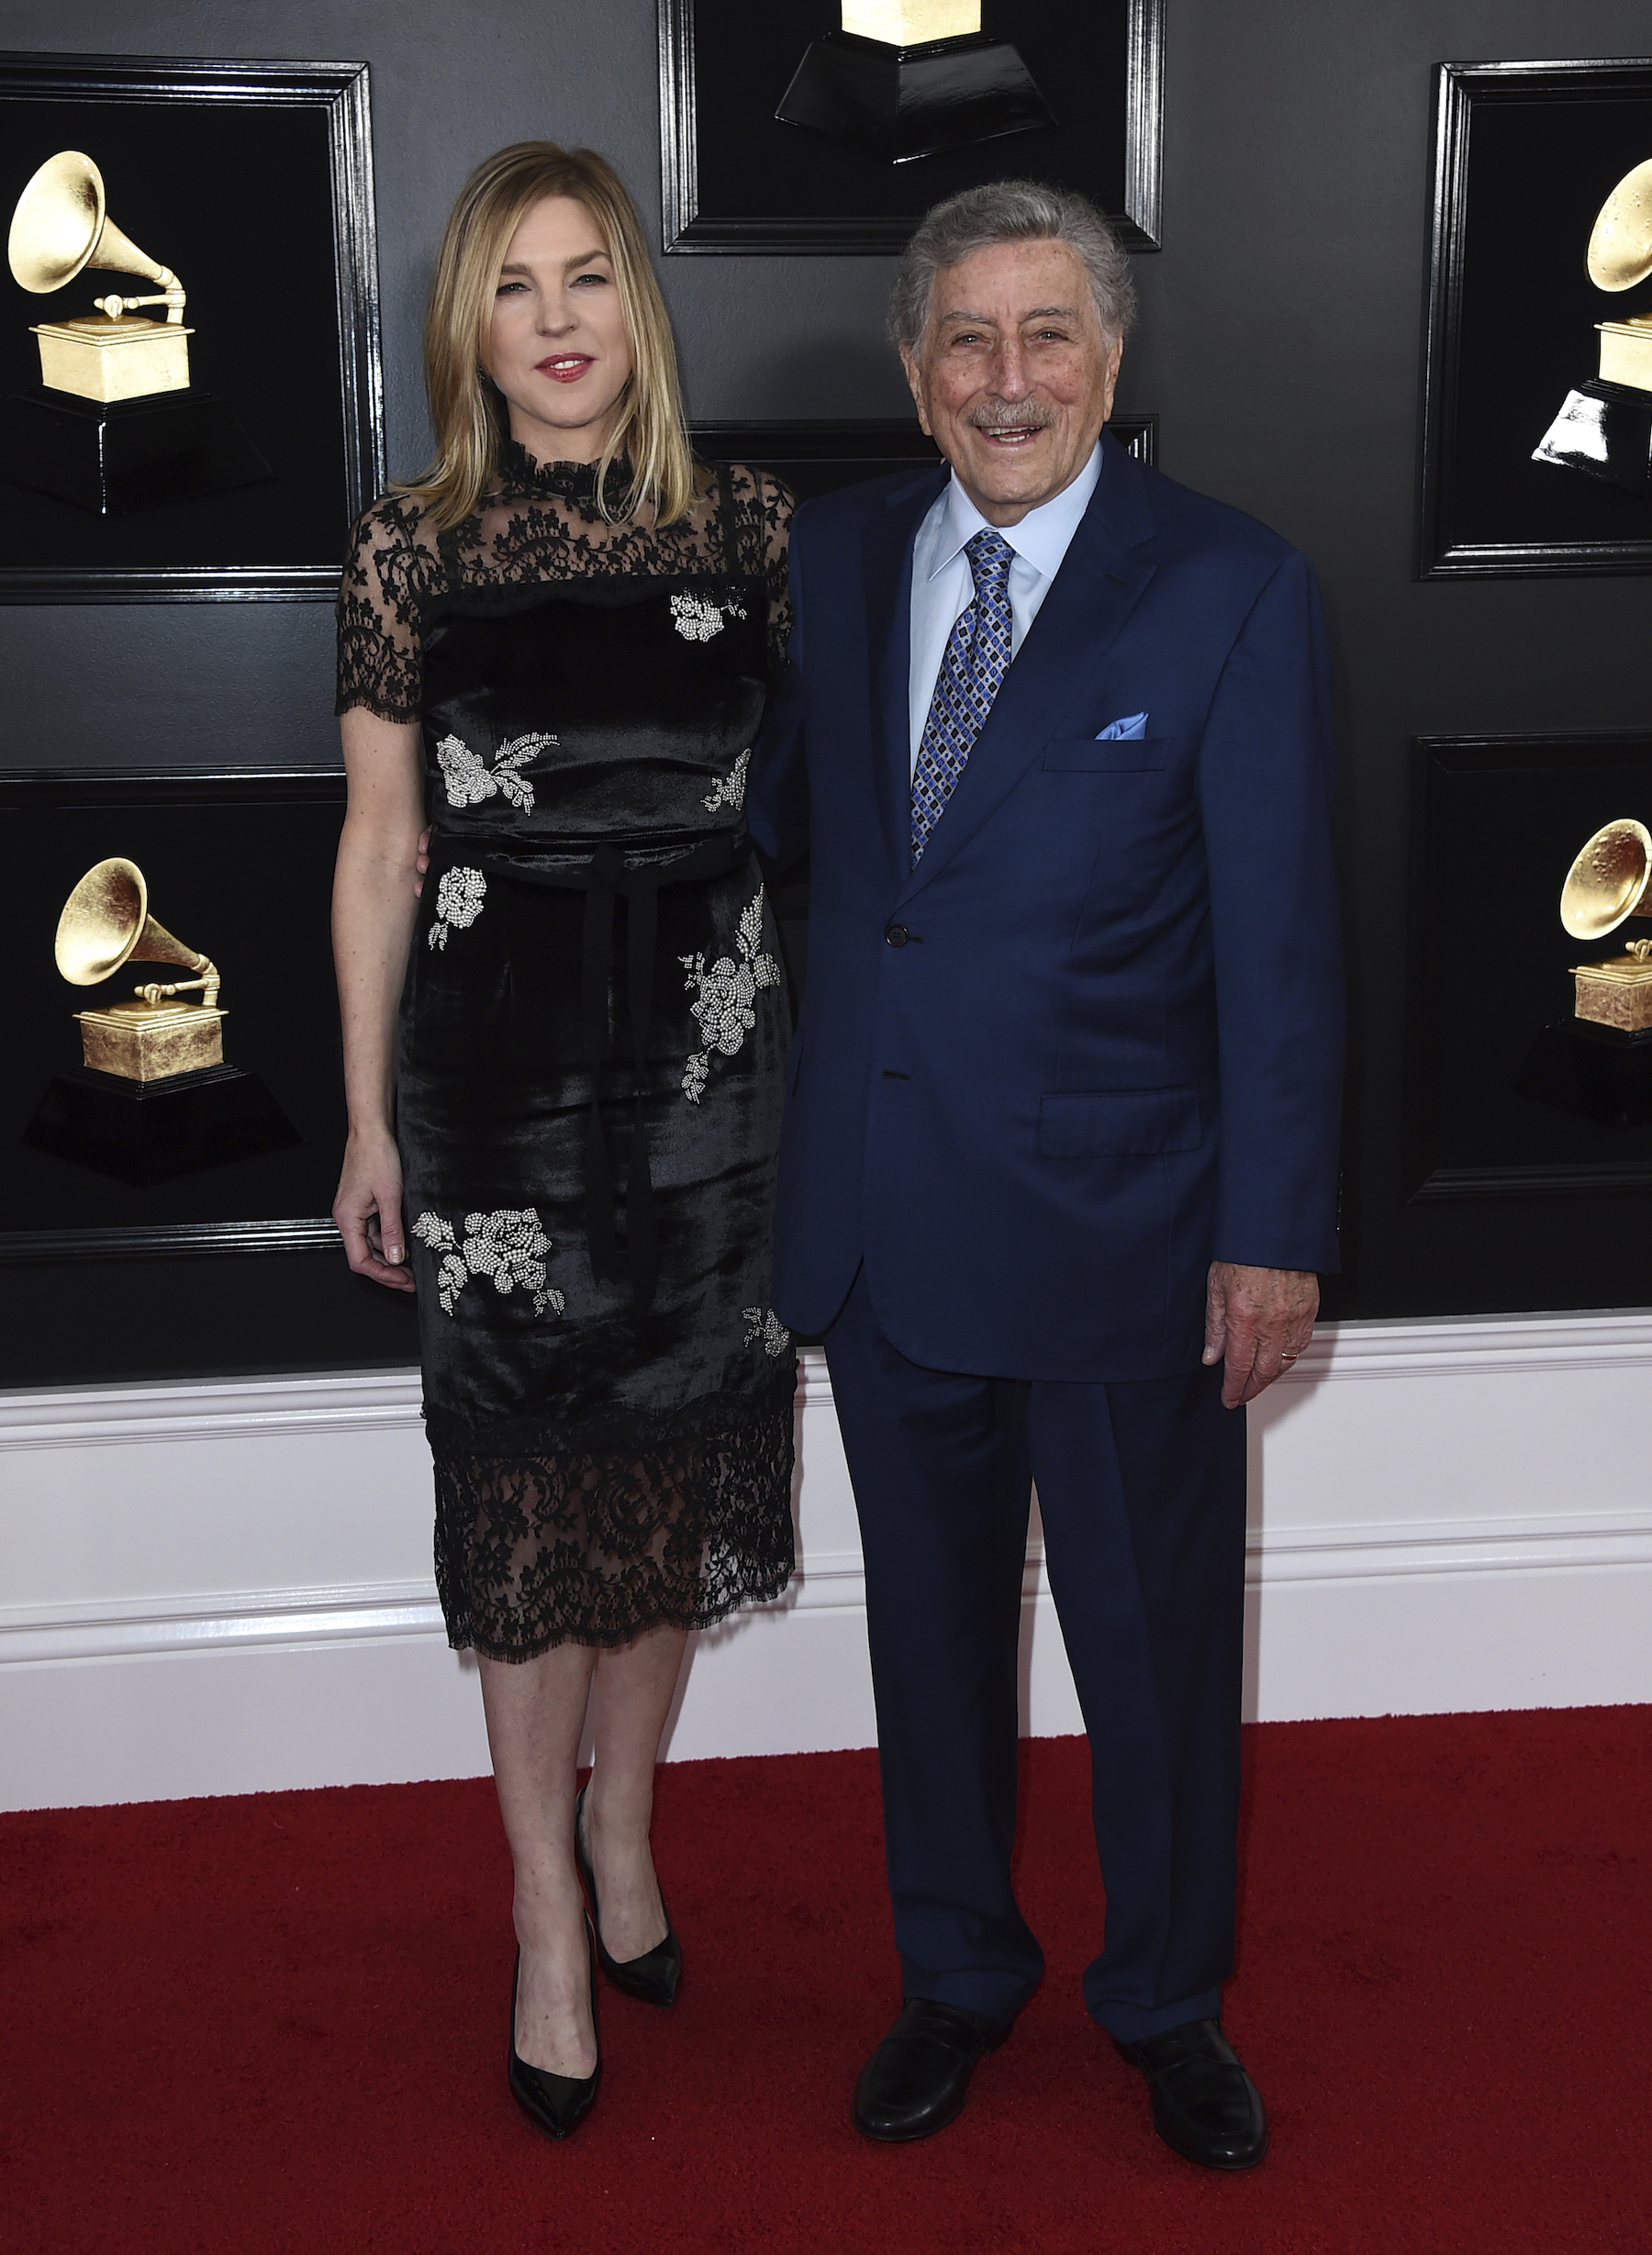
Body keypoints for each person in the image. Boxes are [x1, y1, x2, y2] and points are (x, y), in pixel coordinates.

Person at [746, 179, 1343, 2169]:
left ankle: (1168, 1996)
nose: (1012, 380)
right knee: (928, 1645)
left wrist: (1272, 1236)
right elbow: (793, 868)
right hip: (885, 1222)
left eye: (1050, 335)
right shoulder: (826, 566)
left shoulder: (1232, 586)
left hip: (1129, 1242)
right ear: (915, 379)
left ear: (1111, 361)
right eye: (969, 343)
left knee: (1155, 1660)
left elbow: (1279, 948)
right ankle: (956, 1975)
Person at [330, 140, 798, 2143]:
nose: (556, 323)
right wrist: (362, 1118)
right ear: (470, 327)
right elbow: (376, 845)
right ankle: (542, 1907)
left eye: (589, 278)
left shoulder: (755, 528)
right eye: (515, 288)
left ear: (637, 304)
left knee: (668, 1487)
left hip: (711, 1070)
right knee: (532, 1512)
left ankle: (631, 1840)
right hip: (495, 1078)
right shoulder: (409, 551)